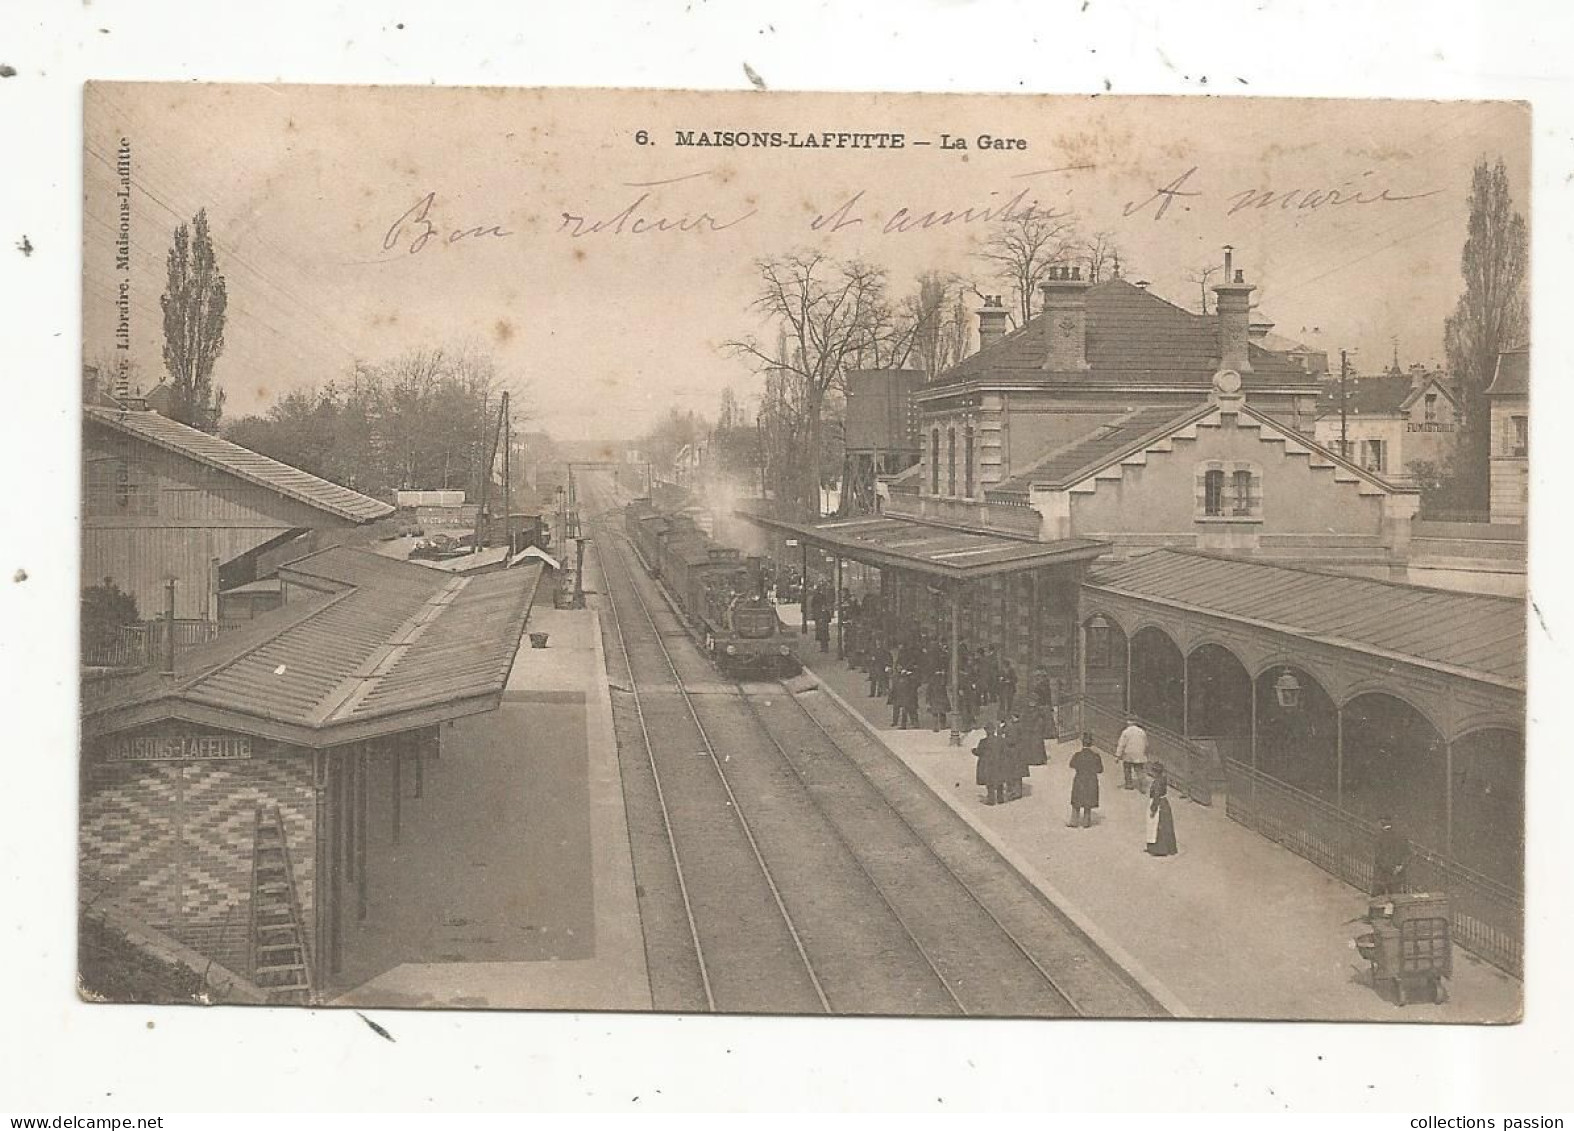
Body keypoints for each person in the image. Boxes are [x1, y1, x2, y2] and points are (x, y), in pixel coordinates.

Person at [1068, 733, 1103, 827]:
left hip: (1080, 779)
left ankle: (1074, 821)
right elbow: (1100, 770)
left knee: (1076, 800)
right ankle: (1086, 822)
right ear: (1091, 743)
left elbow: (1071, 764)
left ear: (1082, 743)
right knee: (1088, 801)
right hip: (1091, 780)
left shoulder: (1078, 755)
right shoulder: (1096, 756)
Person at [1371, 816, 1409, 897]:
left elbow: (1379, 858)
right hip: (1396, 876)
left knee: (1377, 900)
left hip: (1382, 876)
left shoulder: (1379, 837)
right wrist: (1401, 866)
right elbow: (1408, 853)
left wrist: (1391, 869)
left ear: (1381, 823)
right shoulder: (1401, 837)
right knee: (1396, 899)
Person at [1146, 762, 1178, 856]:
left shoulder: (1157, 783)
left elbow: (1156, 796)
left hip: (1159, 804)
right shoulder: (1163, 779)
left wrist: (1153, 808)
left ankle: (1159, 849)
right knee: (1166, 826)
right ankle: (1169, 848)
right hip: (1164, 803)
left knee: (1158, 826)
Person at [974, 722, 1009, 806]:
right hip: (999, 763)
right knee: (999, 780)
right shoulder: (1001, 740)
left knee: (989, 782)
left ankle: (991, 799)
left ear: (986, 731)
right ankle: (1000, 798)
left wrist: (973, 751)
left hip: (988, 764)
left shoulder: (983, 742)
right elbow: (1005, 751)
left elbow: (979, 752)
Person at [1114, 716, 1149, 791]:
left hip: (1129, 753)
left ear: (1129, 722)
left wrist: (1117, 755)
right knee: (1139, 769)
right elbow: (1146, 744)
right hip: (1139, 753)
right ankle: (1142, 785)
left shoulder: (1126, 731)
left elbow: (1121, 744)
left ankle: (1129, 784)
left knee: (1127, 767)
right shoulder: (1142, 732)